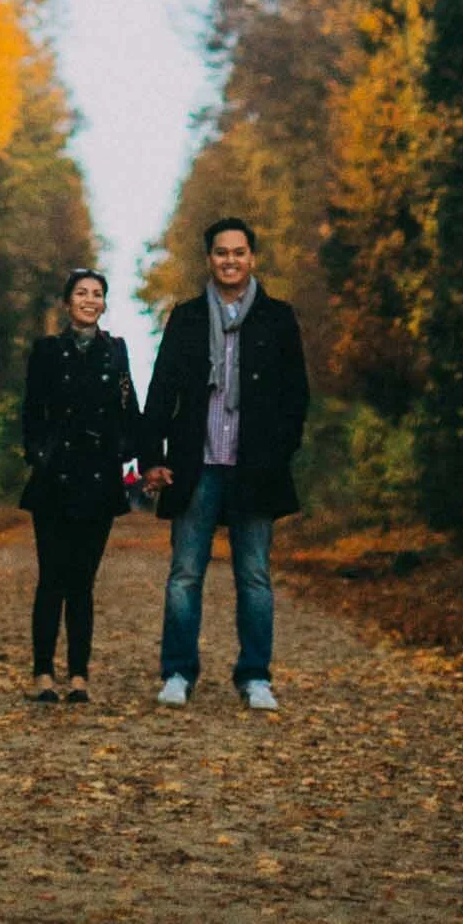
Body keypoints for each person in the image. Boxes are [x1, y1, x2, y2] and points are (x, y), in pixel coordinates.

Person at [140, 216, 309, 711]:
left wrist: (279, 454)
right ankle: (177, 673)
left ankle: (255, 676)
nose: (230, 260)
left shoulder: (278, 318)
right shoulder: (187, 318)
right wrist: (153, 457)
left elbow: (295, 396)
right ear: (208, 259)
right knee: (184, 575)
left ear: (251, 258)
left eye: (239, 252)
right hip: (197, 465)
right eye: (221, 252)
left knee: (254, 576)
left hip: (254, 467)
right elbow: (161, 391)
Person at [20, 267, 140, 705]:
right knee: (51, 576)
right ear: (67, 302)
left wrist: (128, 452)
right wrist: (37, 453)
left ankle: (79, 675)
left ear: (104, 304)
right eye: (81, 293)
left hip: (99, 479)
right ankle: (42, 673)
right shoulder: (47, 351)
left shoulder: (117, 353)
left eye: (97, 294)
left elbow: (131, 409)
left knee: (83, 581)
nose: (90, 300)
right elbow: (31, 411)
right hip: (54, 479)